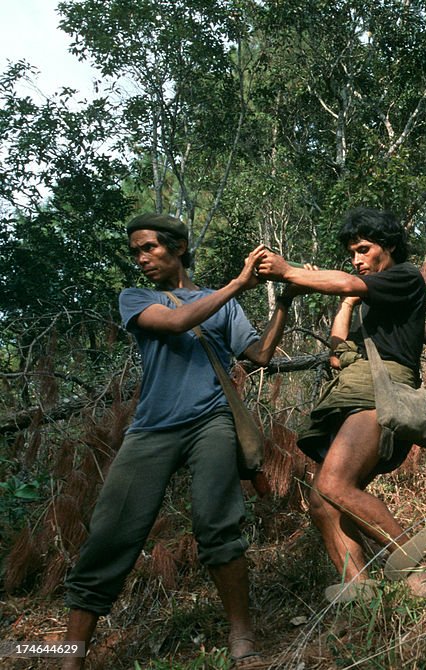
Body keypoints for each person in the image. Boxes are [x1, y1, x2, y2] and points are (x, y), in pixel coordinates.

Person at [63, 213, 299, 669]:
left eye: (149, 247)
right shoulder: (136, 298)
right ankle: (70, 657)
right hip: (152, 428)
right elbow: (175, 323)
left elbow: (261, 354)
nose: (142, 258)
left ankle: (242, 636)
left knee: (218, 524)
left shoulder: (223, 304)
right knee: (111, 532)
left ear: (178, 247)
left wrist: (285, 298)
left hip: (210, 420)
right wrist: (239, 282)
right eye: (136, 251)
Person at [255, 208, 426, 601]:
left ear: (388, 247)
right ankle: (360, 591)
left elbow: (344, 282)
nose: (357, 259)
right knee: (322, 501)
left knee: (333, 484)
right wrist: (350, 303)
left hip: (379, 391)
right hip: (353, 391)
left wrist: (288, 271)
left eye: (364, 249)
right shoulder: (371, 302)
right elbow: (337, 352)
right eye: (352, 253)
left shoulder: (404, 276)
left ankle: (421, 565)